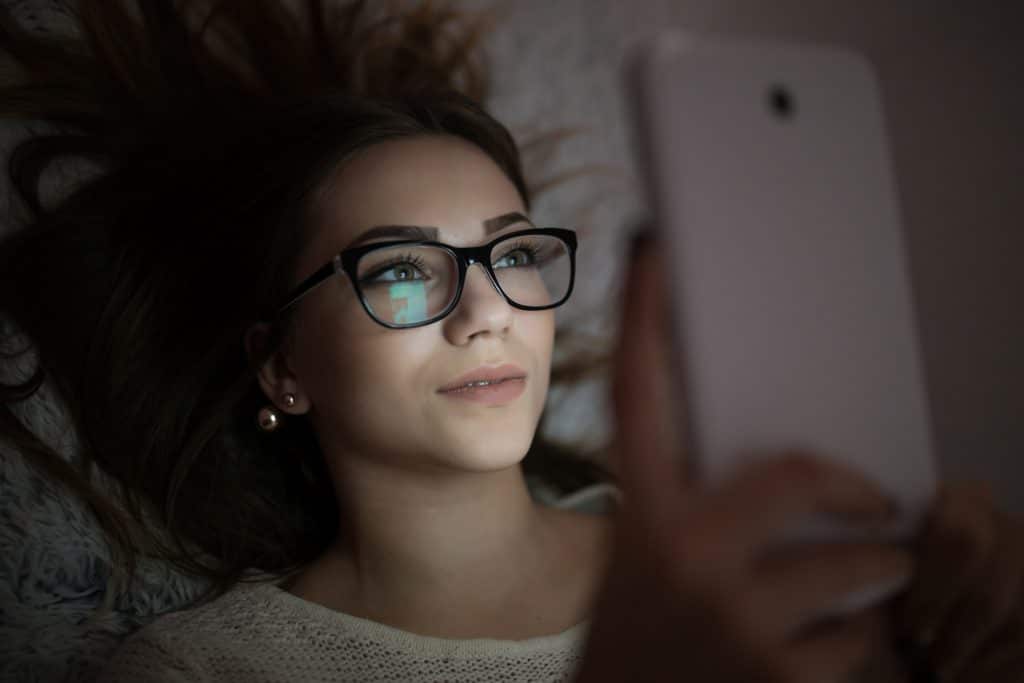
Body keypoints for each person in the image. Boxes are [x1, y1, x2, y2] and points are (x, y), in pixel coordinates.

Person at [0, 1, 1020, 682]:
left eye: (513, 254)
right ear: (283, 364)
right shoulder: (199, 672)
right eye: (400, 268)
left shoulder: (720, 561)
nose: (484, 310)